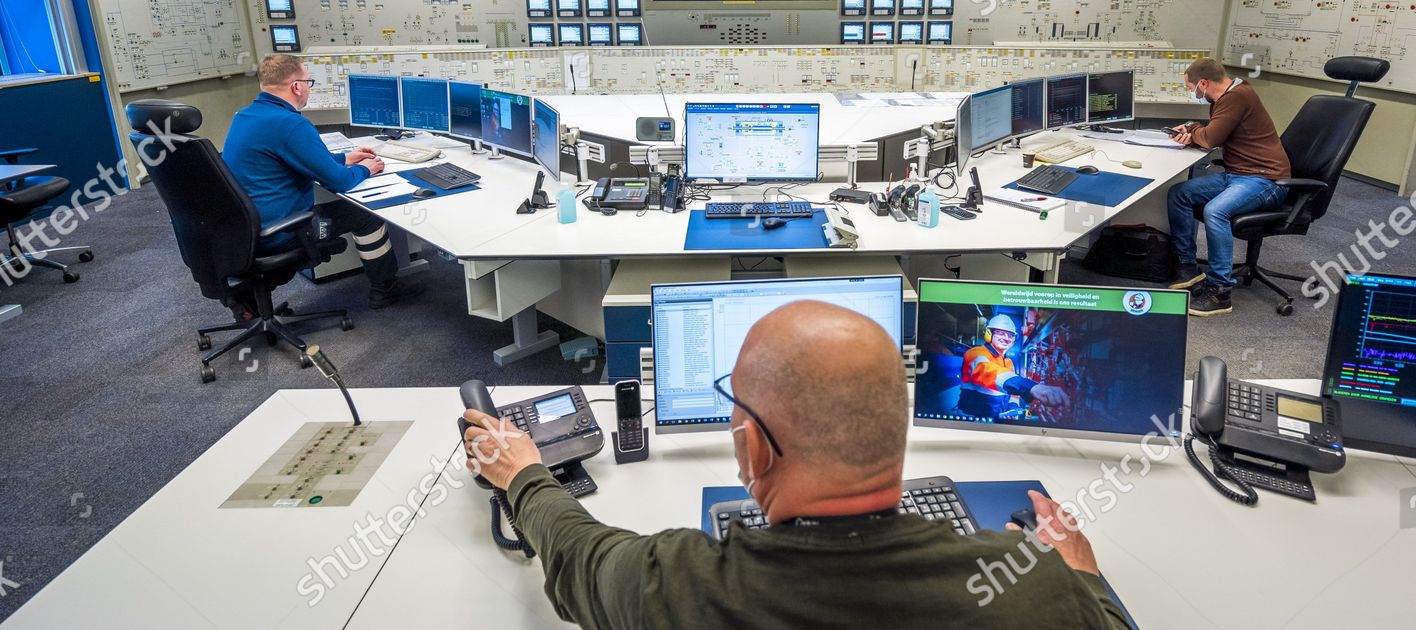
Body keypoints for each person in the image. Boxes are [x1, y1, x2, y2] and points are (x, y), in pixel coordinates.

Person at [462, 301, 1129, 629]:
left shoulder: (679, 589)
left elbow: (579, 558)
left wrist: (522, 473)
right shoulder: (1034, 593)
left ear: (754, 450)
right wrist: (1083, 576)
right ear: (896, 433)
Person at [223, 54, 423, 310]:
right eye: (309, 81)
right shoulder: (290, 123)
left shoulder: (246, 116)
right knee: (364, 215)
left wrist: (345, 157)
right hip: (280, 231)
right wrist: (365, 168)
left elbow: (295, 157)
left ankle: (246, 302)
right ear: (297, 86)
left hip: (245, 229)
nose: (309, 87)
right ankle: (385, 288)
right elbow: (339, 182)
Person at [1166, 58, 1291, 317]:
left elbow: (1211, 137)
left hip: (1265, 180)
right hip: (1239, 174)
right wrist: (1192, 129)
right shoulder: (1229, 94)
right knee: (1180, 193)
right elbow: (1211, 132)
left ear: (1204, 83)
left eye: (1192, 89)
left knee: (1215, 211)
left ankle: (1220, 290)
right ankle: (1187, 266)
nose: (1194, 94)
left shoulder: (1237, 97)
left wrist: (1193, 131)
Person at [959, 313, 1071, 420]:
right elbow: (989, 372)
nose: (1007, 338)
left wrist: (1012, 407)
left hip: (997, 417)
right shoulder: (975, 353)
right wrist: (1032, 387)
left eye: (1010, 335)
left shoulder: (1008, 362)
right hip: (974, 419)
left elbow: (1013, 393)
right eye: (1001, 333)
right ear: (988, 334)